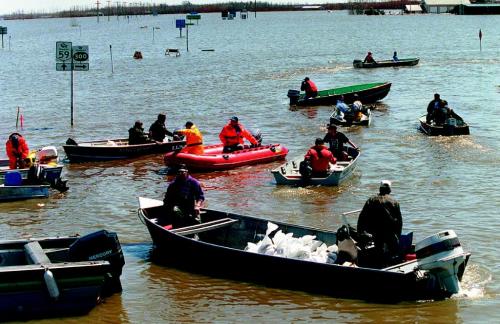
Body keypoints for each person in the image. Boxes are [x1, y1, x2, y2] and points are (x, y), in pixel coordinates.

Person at [357, 180, 403, 267]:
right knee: (394, 253)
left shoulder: (371, 200)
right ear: (389, 190)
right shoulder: (394, 202)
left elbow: (362, 218)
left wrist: (361, 233)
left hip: (375, 233)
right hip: (390, 232)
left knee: (378, 251)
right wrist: (398, 235)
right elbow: (399, 222)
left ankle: (379, 266)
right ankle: (393, 266)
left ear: (379, 189)